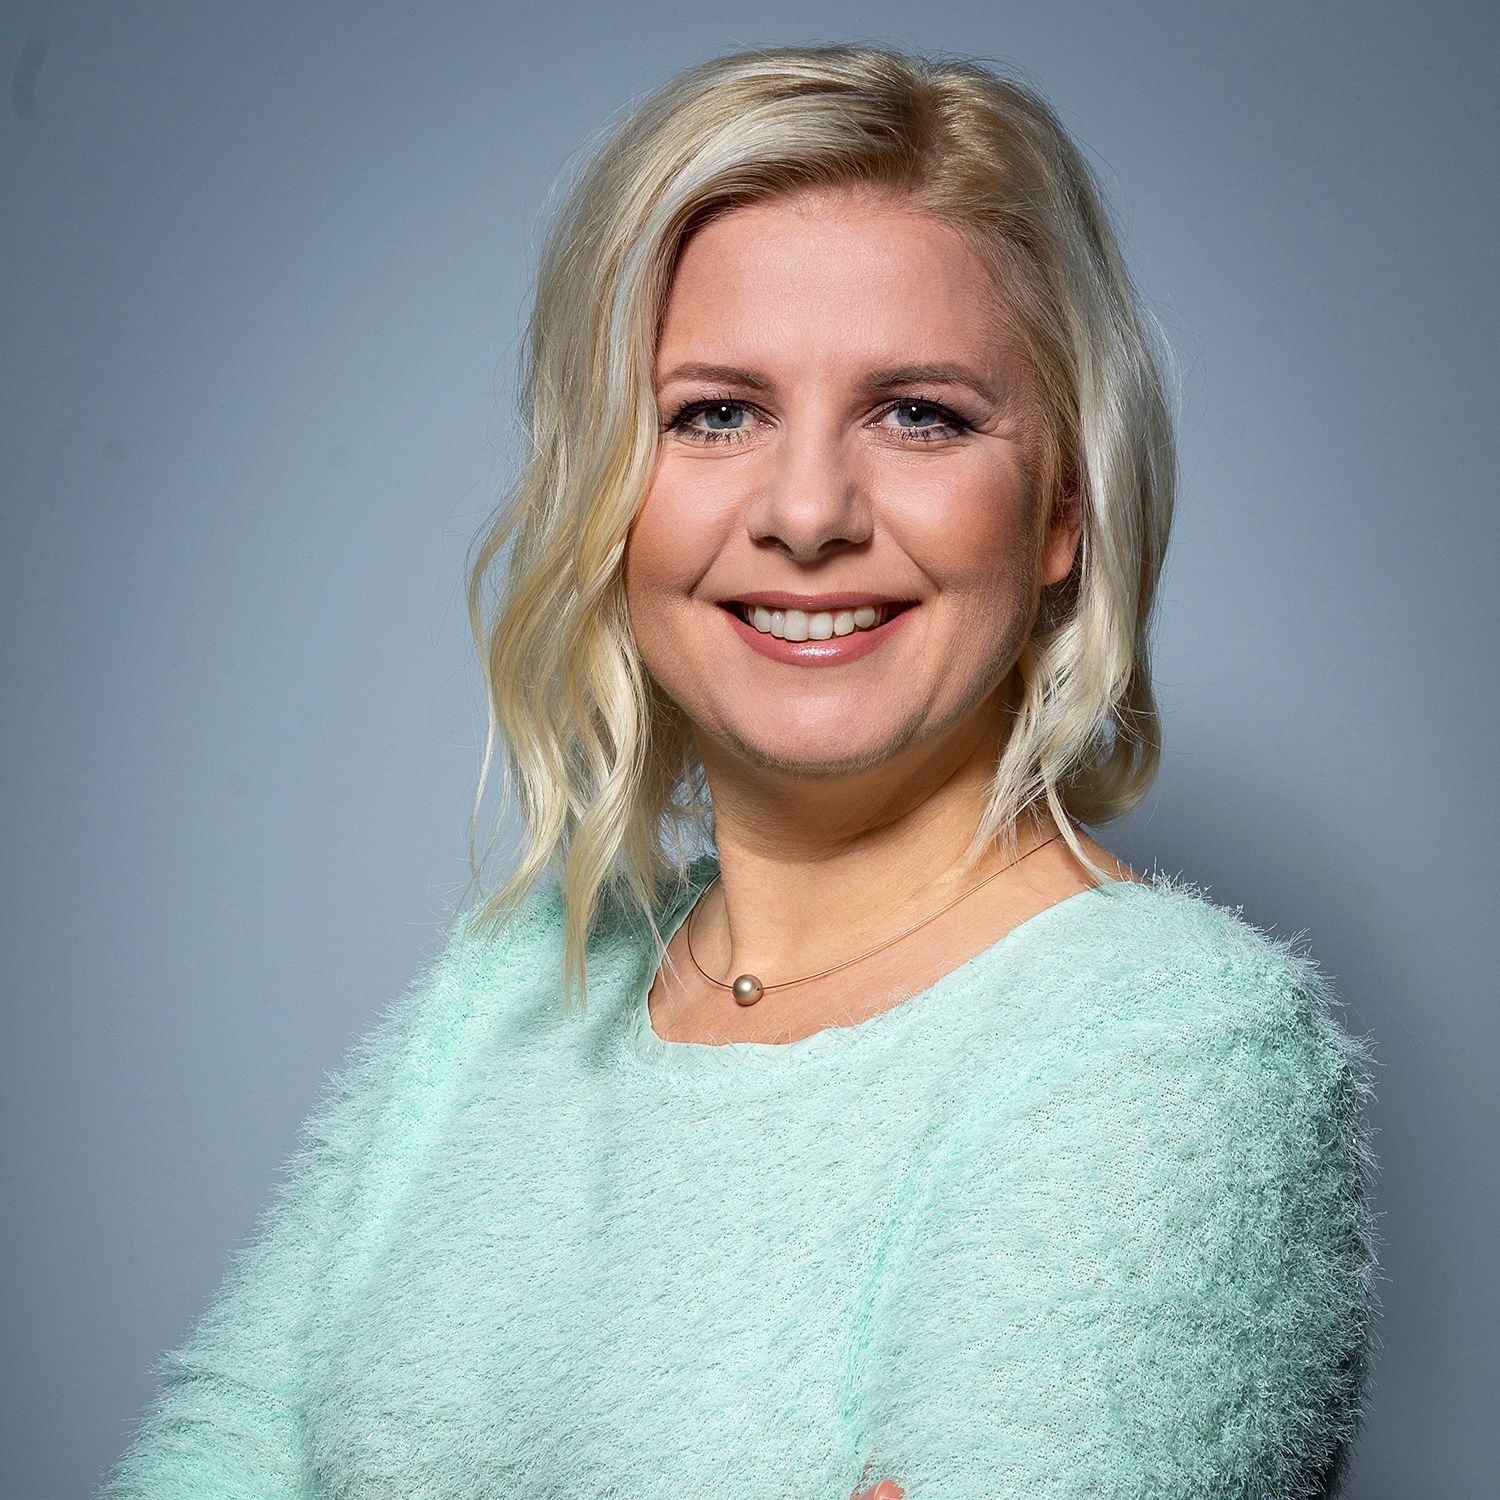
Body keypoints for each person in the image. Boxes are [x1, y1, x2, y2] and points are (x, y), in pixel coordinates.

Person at [98, 43, 1380, 1500]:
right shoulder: (510, 990)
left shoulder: (1173, 1049)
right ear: (606, 489)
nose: (809, 512)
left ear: (1062, 512)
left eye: (920, 414)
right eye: (715, 413)